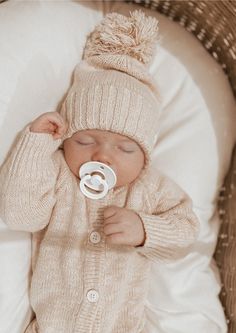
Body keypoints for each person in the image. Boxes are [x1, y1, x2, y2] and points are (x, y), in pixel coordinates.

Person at [0, 10, 199, 333]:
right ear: (66, 139)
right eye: (86, 139)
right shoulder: (60, 175)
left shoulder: (150, 188)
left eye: (125, 148)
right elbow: (20, 214)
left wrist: (146, 231)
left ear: (145, 155)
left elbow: (186, 232)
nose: (103, 156)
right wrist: (35, 145)